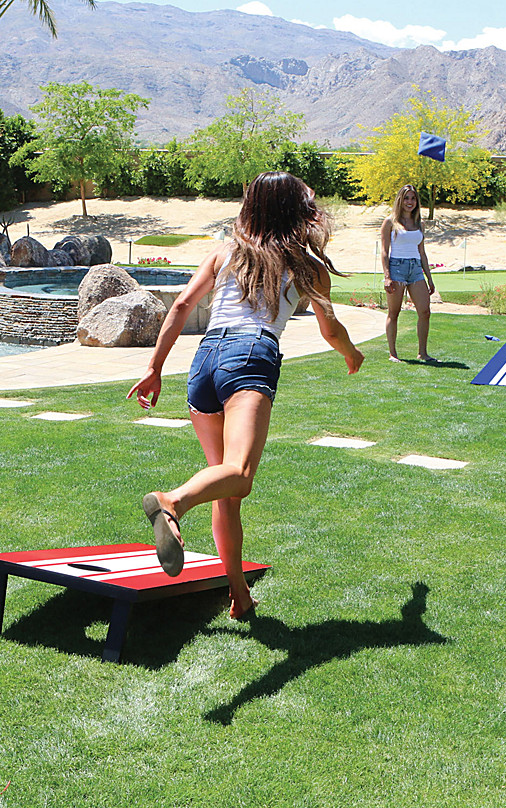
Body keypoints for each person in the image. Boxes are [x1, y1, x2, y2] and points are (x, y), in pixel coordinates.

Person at [127, 171, 364, 619]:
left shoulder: (224, 251)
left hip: (205, 360)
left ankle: (238, 594)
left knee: (227, 489)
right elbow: (329, 328)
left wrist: (154, 368)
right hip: (251, 353)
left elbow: (180, 306)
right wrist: (351, 353)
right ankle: (171, 502)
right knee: (240, 473)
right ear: (294, 211)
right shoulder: (306, 266)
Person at [380, 184, 436, 362]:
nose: (409, 202)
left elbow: (422, 252)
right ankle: (393, 353)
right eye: (406, 198)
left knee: (425, 311)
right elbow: (384, 251)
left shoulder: (420, 223)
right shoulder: (390, 222)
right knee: (394, 312)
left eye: (413, 198)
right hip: (397, 268)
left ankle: (423, 353)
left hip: (416, 269)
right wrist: (387, 276)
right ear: (400, 200)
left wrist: (429, 278)